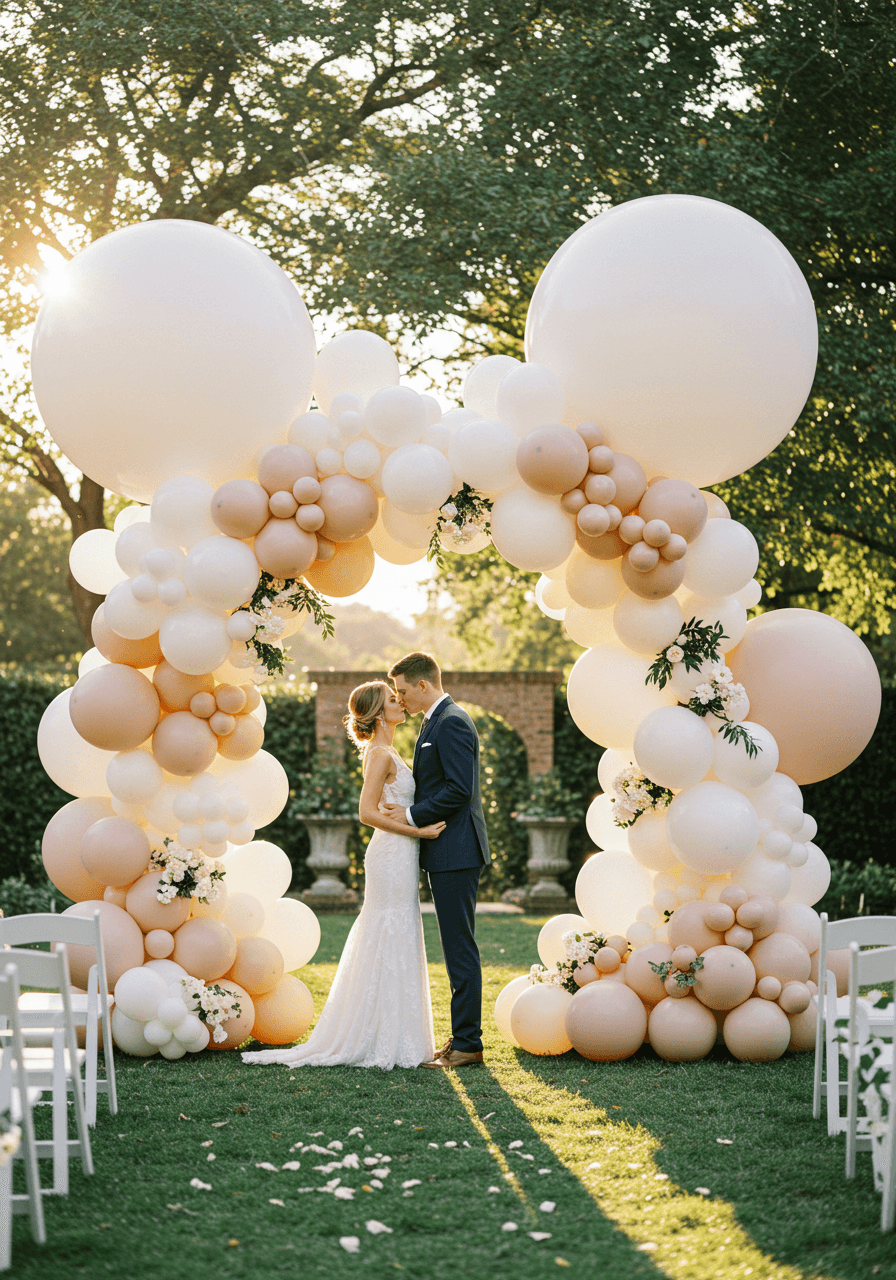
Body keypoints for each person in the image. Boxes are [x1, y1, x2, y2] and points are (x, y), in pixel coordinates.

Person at [241, 680, 444, 1071]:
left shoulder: (389, 751)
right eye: (391, 699)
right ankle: (377, 1035)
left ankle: (397, 1033)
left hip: (401, 852)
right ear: (378, 712)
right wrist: (418, 830)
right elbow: (366, 813)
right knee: (389, 926)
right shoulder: (380, 754)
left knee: (399, 928)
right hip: (391, 853)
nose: (399, 701)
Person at [384, 652, 492, 1069]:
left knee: (459, 948)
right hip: (446, 851)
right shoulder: (433, 721)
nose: (401, 698)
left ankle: (468, 1044)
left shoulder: (452, 722)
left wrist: (410, 816)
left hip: (457, 850)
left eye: (404, 690)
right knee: (455, 946)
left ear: (424, 685)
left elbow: (459, 790)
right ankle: (463, 1038)